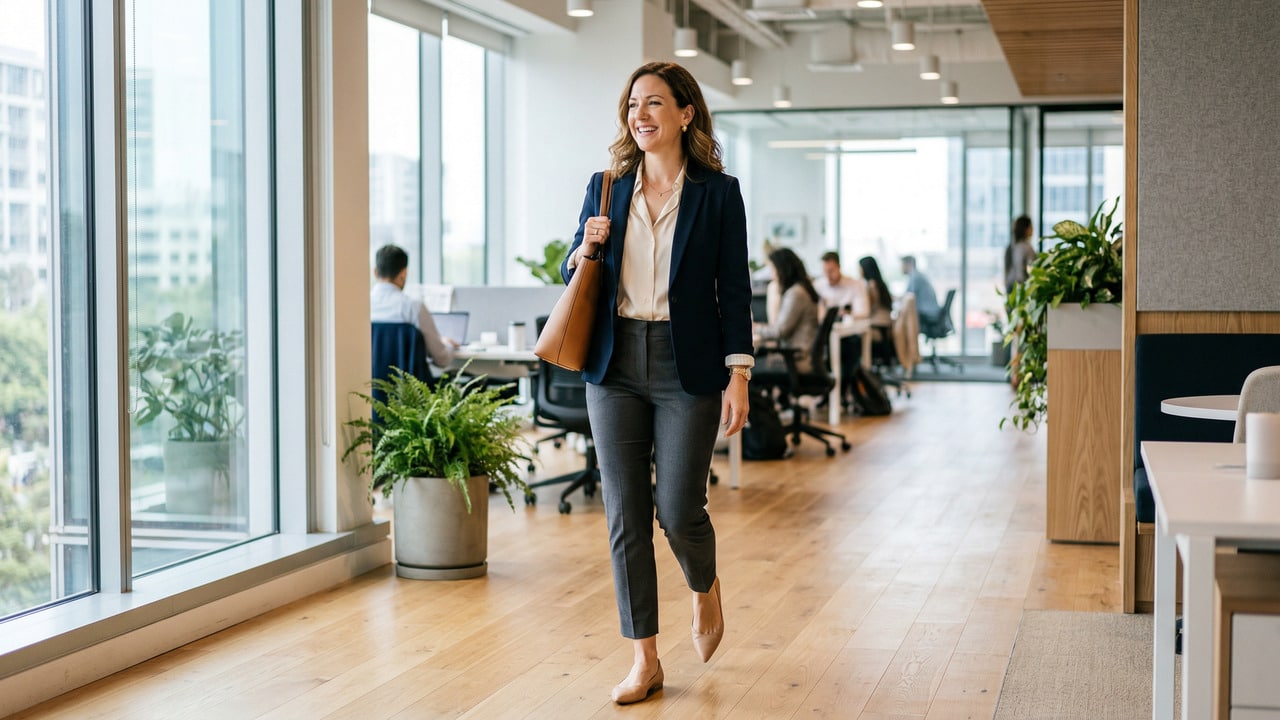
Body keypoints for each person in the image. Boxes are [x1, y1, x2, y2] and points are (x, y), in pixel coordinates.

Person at [560, 61, 753, 706]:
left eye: (654, 104)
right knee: (624, 514)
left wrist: (739, 374)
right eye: (633, 105)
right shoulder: (607, 186)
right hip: (613, 364)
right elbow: (573, 268)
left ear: (685, 113)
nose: (640, 115)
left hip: (685, 364)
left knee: (677, 508)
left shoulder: (718, 194)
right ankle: (644, 658)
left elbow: (735, 290)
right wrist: (587, 246)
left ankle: (706, 585)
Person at [370, 244, 457, 368]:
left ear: (375, 272)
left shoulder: (362, 308)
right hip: (408, 387)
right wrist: (448, 345)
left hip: (368, 386)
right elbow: (441, 359)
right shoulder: (413, 308)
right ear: (404, 273)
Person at [754, 248, 821, 374]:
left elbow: (779, 331)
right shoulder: (801, 289)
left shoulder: (796, 294)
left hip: (796, 360)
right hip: (801, 356)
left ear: (783, 269)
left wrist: (755, 327)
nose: (772, 276)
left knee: (748, 369)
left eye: (773, 270)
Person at [813, 250, 870, 320]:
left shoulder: (855, 285)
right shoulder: (818, 285)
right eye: (825, 271)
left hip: (850, 328)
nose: (828, 276)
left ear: (839, 267)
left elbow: (863, 312)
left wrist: (847, 314)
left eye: (831, 271)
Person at [900, 255, 940, 321]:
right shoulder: (918, 275)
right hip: (931, 310)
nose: (901, 268)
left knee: (901, 316)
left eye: (902, 265)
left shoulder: (915, 277)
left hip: (926, 312)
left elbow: (908, 297)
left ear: (909, 264)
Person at [1004, 215, 1037, 293]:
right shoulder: (1024, 247)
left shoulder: (1012, 245)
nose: (1032, 229)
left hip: (1011, 284)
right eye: (1031, 227)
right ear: (1025, 229)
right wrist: (1023, 285)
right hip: (1019, 286)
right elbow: (1021, 266)